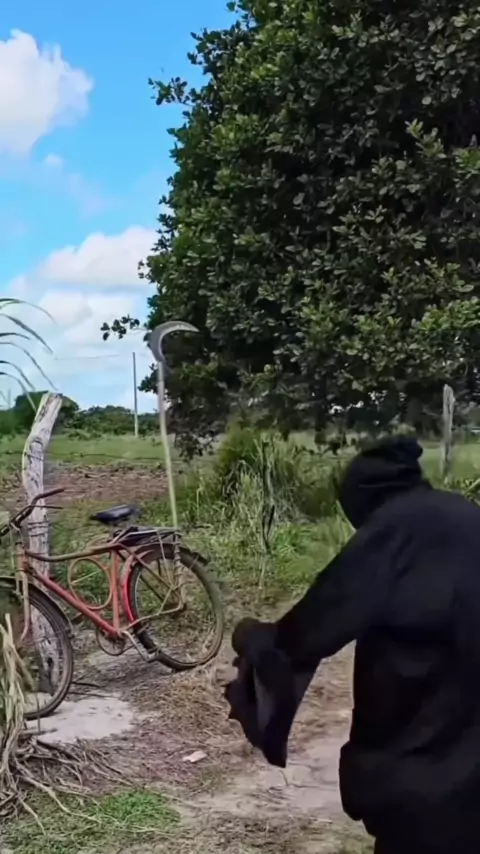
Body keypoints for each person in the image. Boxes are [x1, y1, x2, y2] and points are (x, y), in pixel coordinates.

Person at [225, 436, 480, 854]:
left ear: (362, 496)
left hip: (423, 775)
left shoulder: (392, 530)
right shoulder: (466, 515)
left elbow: (310, 629)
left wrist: (251, 636)